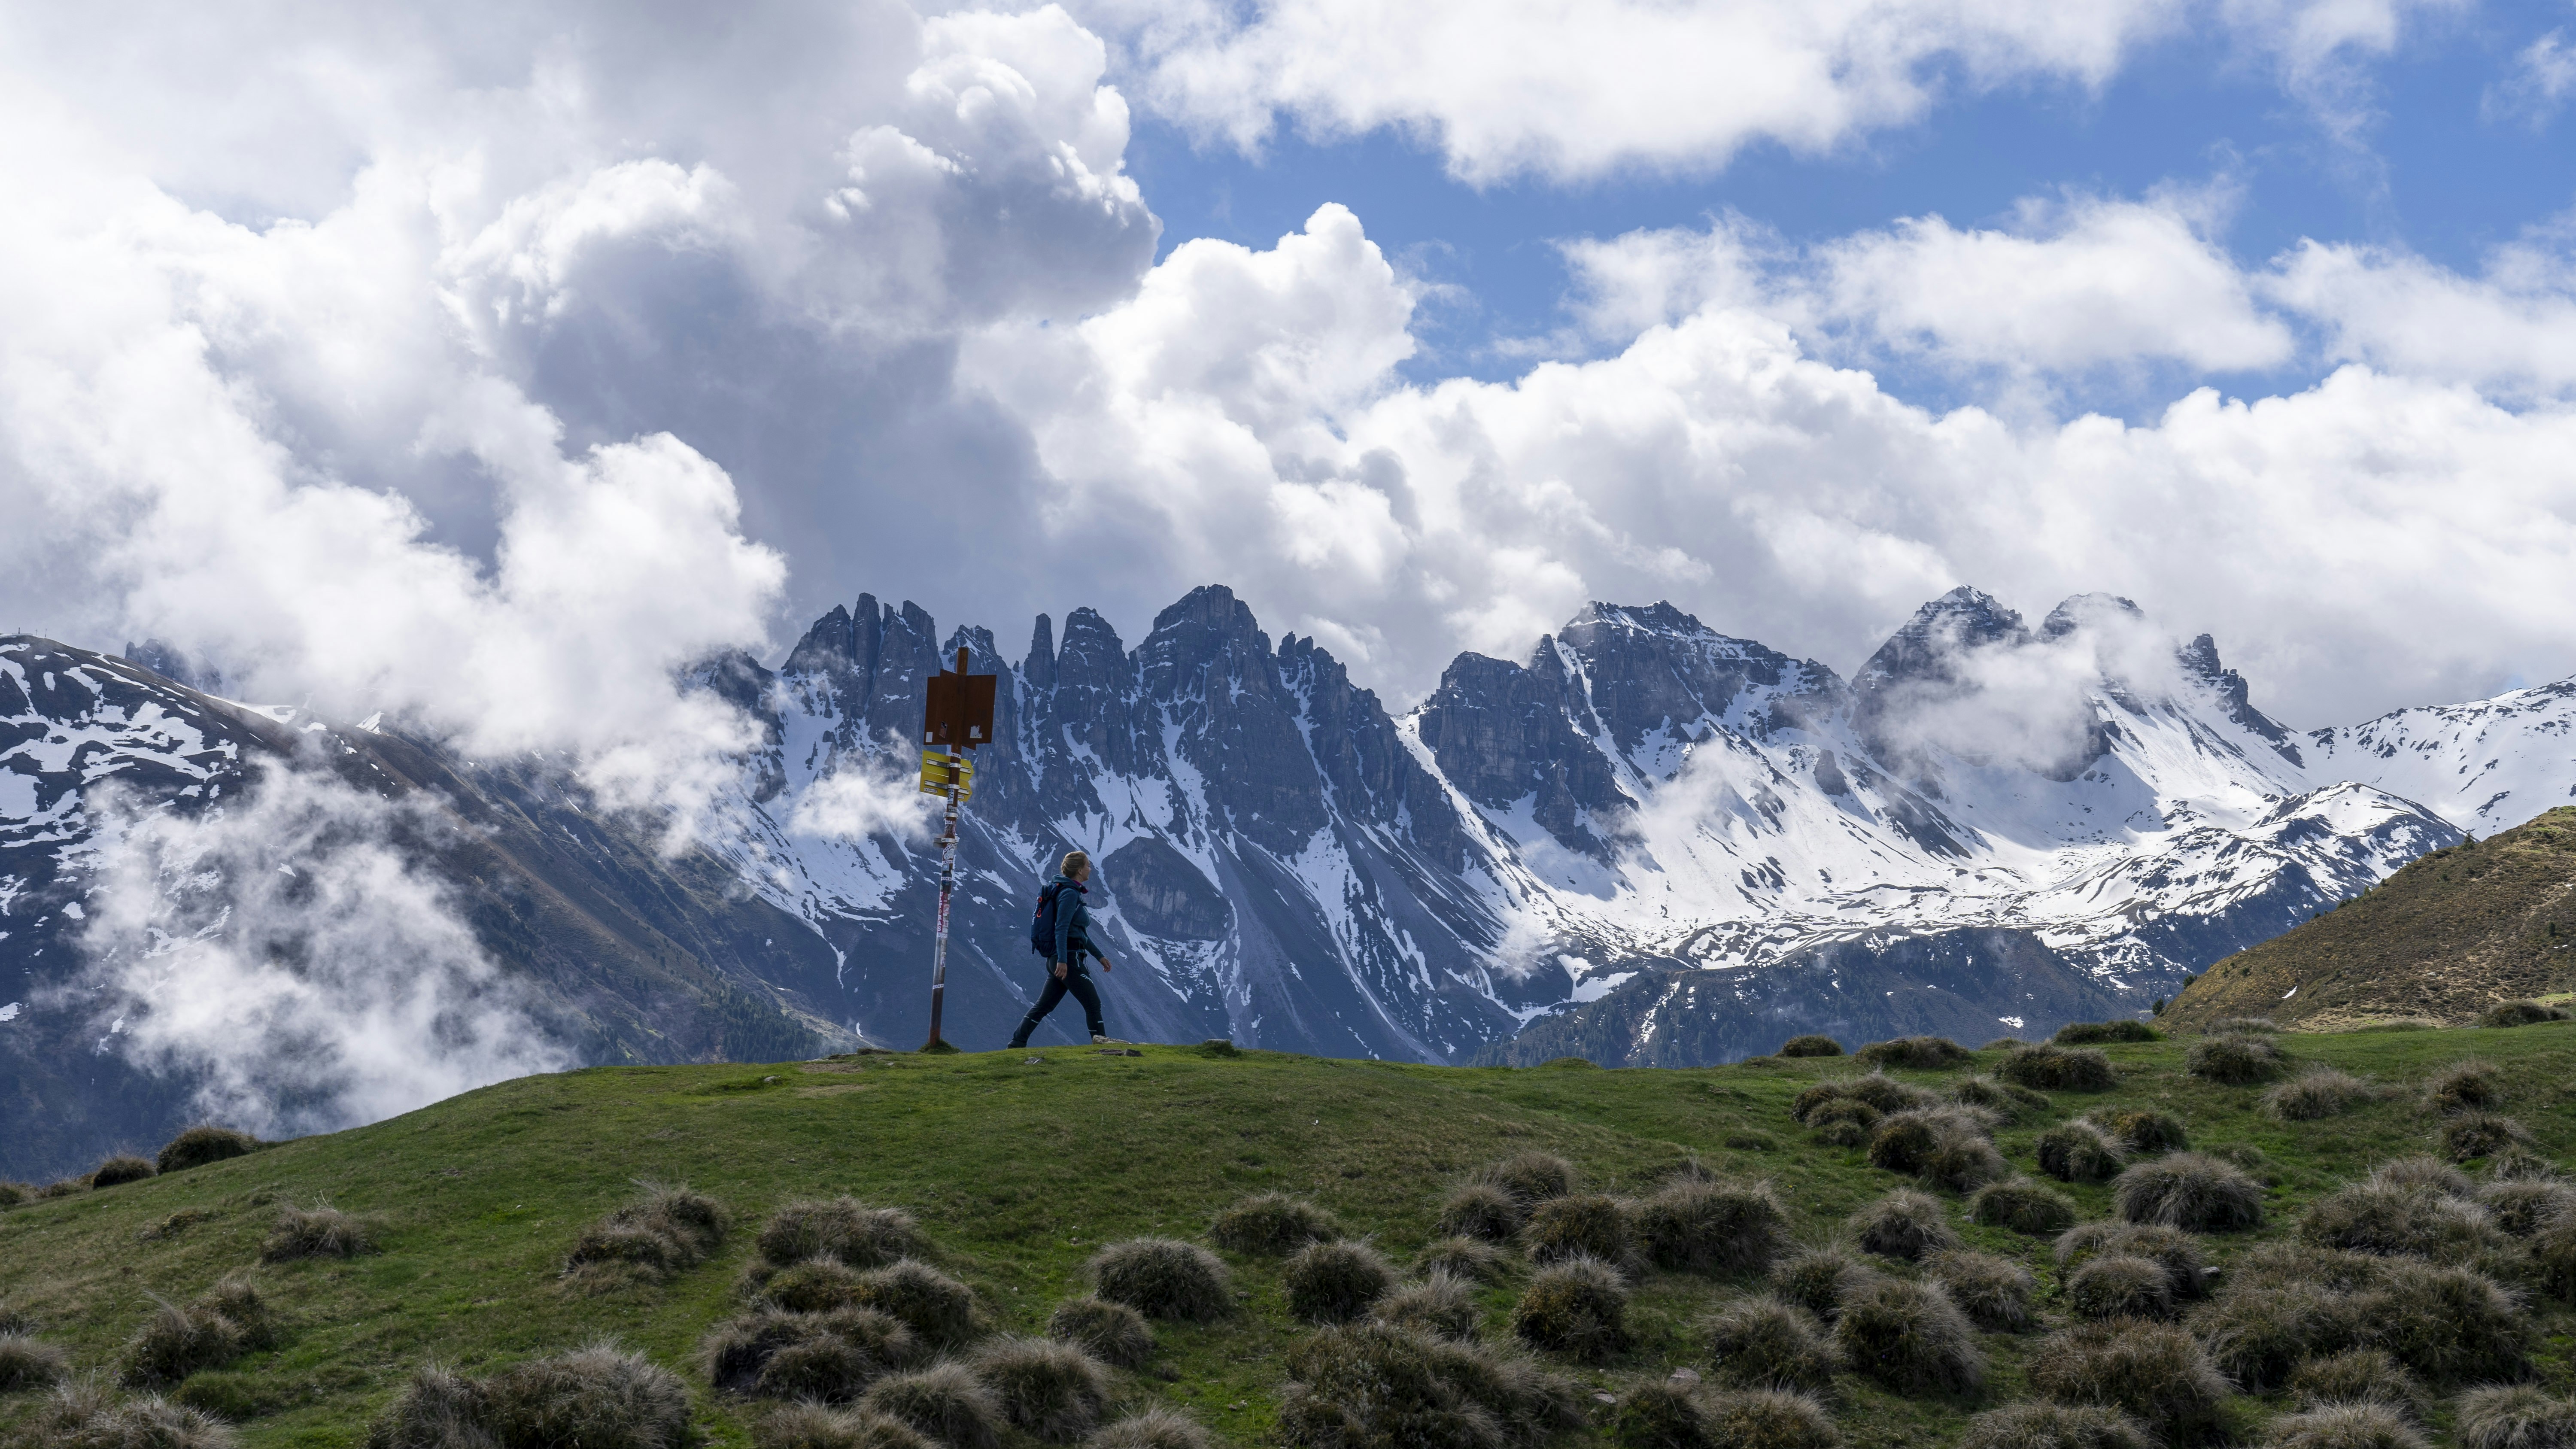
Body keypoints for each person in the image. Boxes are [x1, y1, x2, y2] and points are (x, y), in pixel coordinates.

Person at [1007, 850, 1117, 1048]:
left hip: (1060, 958)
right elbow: (1062, 928)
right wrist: (1064, 961)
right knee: (1093, 1005)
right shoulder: (1068, 894)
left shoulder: (1065, 890)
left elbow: (1079, 933)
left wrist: (1100, 957)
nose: (1091, 869)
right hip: (1068, 959)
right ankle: (1103, 1049)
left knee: (1044, 1006)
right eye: (1088, 865)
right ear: (1080, 870)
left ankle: (1016, 1043)